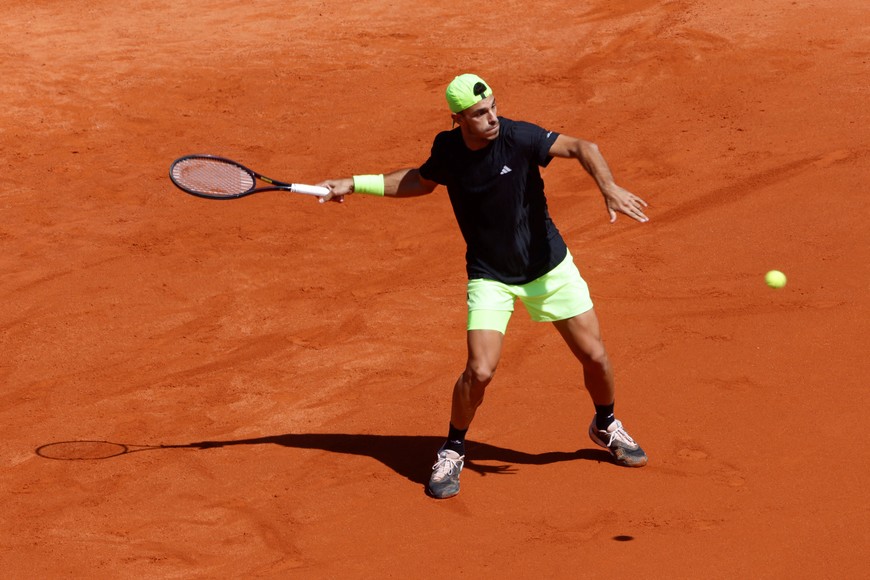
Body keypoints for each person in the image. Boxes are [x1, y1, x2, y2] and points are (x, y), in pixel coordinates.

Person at [317, 73, 650, 500]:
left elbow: (585, 147)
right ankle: (454, 447)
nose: (492, 117)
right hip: (490, 275)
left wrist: (608, 187)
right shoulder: (448, 149)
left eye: (493, 106)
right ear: (458, 119)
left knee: (596, 357)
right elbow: (422, 179)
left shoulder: (520, 137)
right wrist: (353, 183)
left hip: (548, 268)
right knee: (479, 371)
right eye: (480, 113)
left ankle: (605, 425)